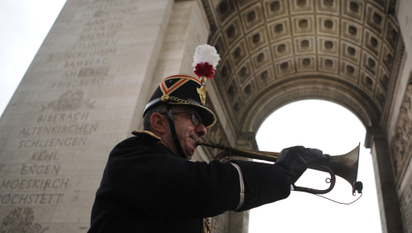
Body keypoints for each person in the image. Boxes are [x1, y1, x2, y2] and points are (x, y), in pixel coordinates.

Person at [88, 64, 329, 233]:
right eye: (193, 119)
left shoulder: (174, 170)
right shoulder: (128, 156)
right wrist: (279, 175)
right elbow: (197, 186)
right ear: (159, 122)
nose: (203, 130)